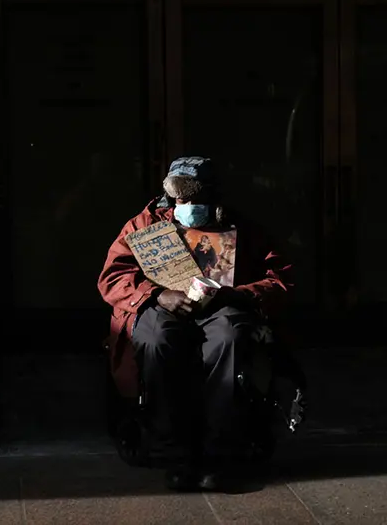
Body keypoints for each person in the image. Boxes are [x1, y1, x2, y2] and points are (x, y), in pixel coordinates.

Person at [98, 156, 293, 492]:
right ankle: (171, 452)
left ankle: (221, 453)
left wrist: (237, 295)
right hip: (162, 303)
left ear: (215, 198)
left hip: (223, 305)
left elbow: (280, 280)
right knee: (157, 337)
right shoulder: (143, 225)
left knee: (230, 336)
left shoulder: (241, 228)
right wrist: (156, 295)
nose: (186, 206)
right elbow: (113, 277)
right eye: (180, 200)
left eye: (195, 199)